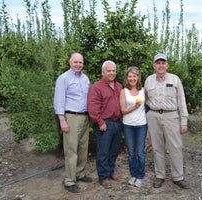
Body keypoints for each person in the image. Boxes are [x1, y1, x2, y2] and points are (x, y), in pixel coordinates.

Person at [144, 53, 189, 189]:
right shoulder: (148, 80)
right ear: (154, 66)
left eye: (163, 63)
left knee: (175, 147)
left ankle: (178, 177)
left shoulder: (175, 79)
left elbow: (182, 101)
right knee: (157, 148)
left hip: (171, 116)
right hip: (153, 115)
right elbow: (144, 101)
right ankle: (160, 176)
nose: (161, 65)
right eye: (158, 63)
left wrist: (184, 121)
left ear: (167, 65)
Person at [53, 53, 92, 193]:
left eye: (80, 62)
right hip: (71, 117)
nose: (78, 64)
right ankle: (69, 181)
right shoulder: (63, 78)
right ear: (70, 62)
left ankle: (80, 173)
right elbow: (58, 101)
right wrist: (62, 120)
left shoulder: (85, 79)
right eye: (75, 62)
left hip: (84, 117)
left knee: (83, 147)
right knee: (71, 150)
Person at [87, 60, 122, 189]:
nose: (112, 73)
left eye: (113, 70)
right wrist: (100, 122)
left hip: (117, 123)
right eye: (109, 71)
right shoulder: (96, 87)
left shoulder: (119, 86)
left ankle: (111, 171)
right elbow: (92, 107)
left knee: (114, 150)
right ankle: (103, 176)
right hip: (104, 124)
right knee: (103, 152)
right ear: (103, 72)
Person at [119, 66, 147, 187]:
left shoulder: (143, 90)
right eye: (130, 76)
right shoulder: (123, 91)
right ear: (127, 78)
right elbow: (123, 110)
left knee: (140, 152)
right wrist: (134, 107)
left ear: (138, 77)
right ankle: (133, 175)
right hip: (128, 125)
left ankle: (140, 176)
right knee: (131, 153)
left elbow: (148, 104)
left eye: (134, 76)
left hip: (141, 125)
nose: (132, 78)